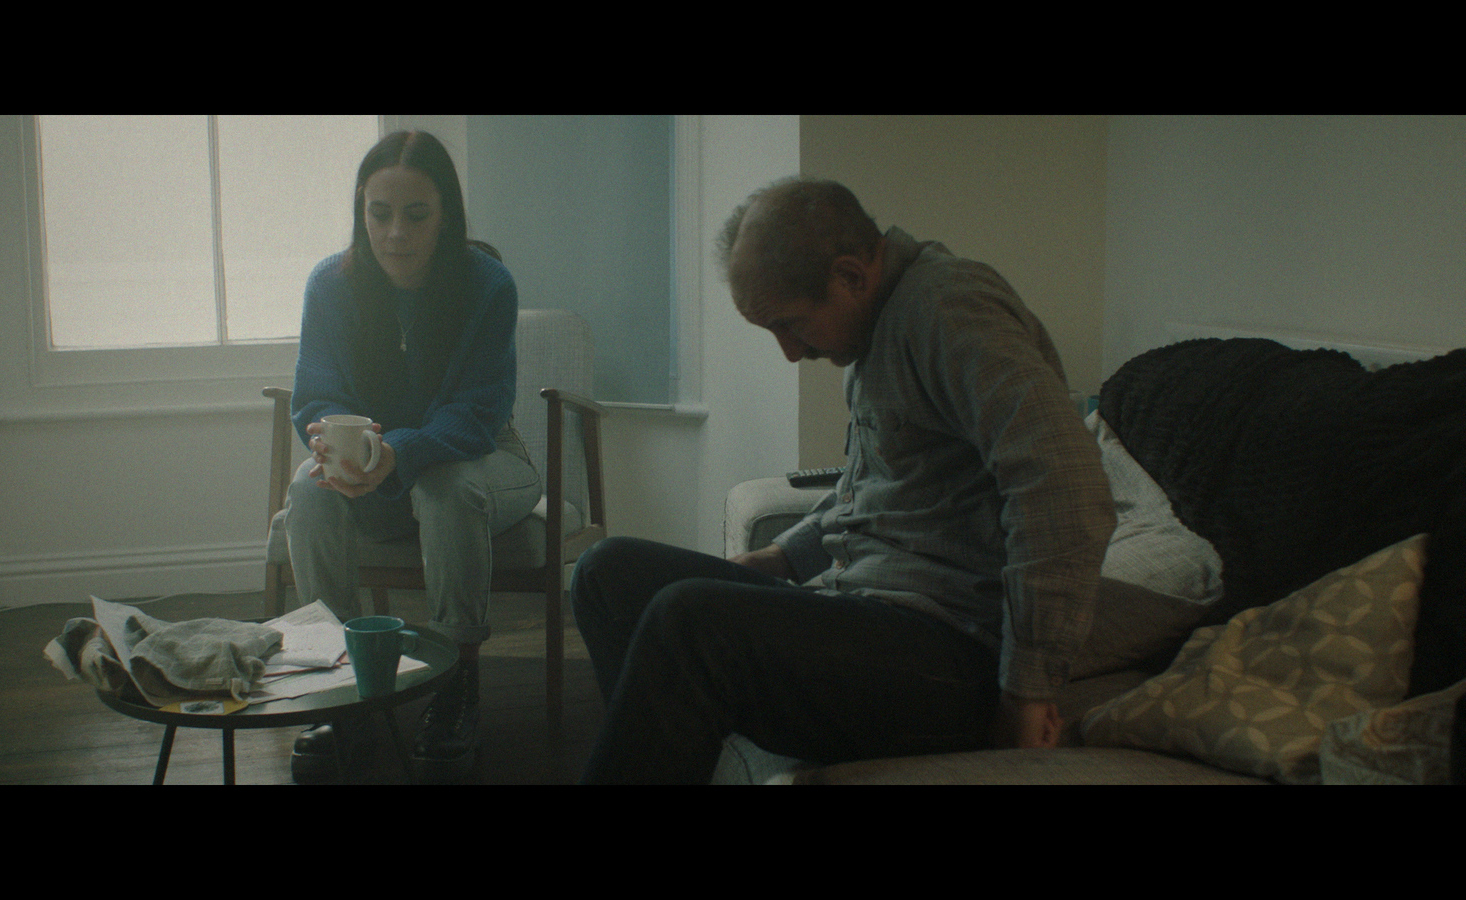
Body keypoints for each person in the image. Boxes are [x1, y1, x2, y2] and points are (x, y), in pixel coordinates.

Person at [571, 177, 1116, 783]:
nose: (788, 351)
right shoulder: (878, 332)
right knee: (607, 573)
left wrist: (1026, 690)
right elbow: (878, 486)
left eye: (791, 325)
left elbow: (1064, 482)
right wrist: (782, 557)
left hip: (951, 658)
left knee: (689, 621)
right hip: (867, 616)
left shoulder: (949, 308)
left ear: (852, 276)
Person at [284, 130, 541, 784]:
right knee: (310, 490)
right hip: (374, 464)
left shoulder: (488, 285)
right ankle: (341, 687)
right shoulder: (331, 284)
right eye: (379, 213)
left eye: (415, 215)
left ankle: (458, 683)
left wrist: (397, 452)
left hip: (484, 460)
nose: (394, 232)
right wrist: (335, 445)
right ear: (360, 211)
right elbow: (316, 393)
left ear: (445, 215)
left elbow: (481, 409)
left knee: (444, 488)